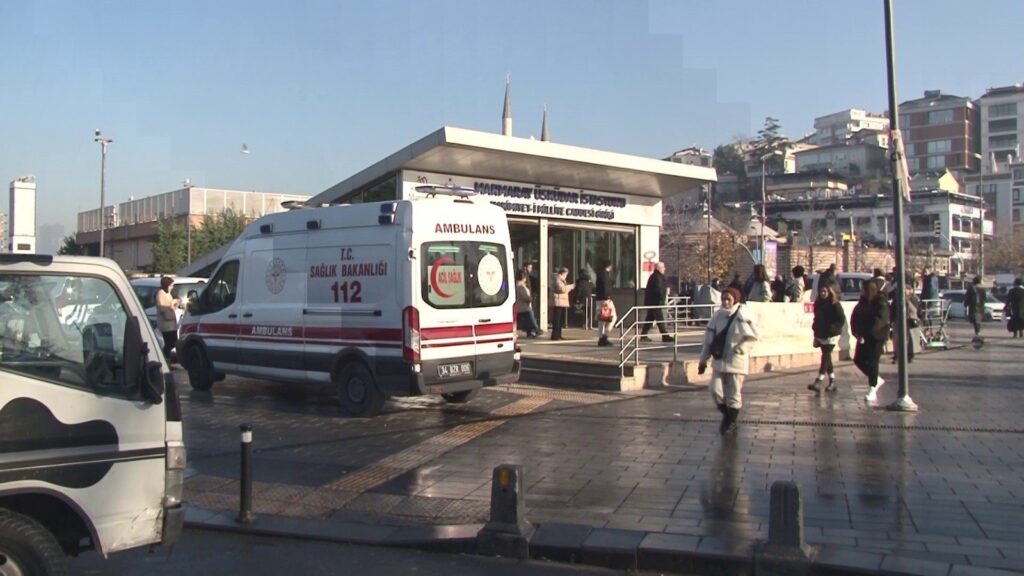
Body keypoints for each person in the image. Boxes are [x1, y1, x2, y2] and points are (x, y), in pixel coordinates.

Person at [698, 287, 759, 435]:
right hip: (719, 360)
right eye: (723, 299)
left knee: (734, 393)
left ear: (735, 300)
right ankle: (728, 416)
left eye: (728, 299)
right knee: (715, 390)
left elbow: (752, 337)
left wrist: (740, 349)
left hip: (735, 360)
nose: (725, 302)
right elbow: (708, 340)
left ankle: (731, 421)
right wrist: (703, 360)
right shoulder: (717, 315)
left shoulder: (742, 315)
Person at [851, 278, 890, 403]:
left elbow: (880, 320)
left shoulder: (881, 302)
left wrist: (867, 332)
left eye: (864, 289)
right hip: (863, 336)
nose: (862, 291)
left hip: (876, 337)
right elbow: (854, 317)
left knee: (873, 362)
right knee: (859, 360)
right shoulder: (862, 303)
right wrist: (856, 332)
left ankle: (872, 388)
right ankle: (876, 379)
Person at [808, 284, 846, 393]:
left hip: (832, 334)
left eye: (825, 291)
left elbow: (841, 319)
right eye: (821, 291)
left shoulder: (835, 304)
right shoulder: (818, 304)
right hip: (821, 334)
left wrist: (833, 328)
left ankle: (819, 380)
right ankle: (832, 381)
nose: (823, 293)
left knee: (825, 355)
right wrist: (815, 331)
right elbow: (816, 318)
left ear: (829, 292)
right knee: (827, 357)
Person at [640, 262, 672, 342]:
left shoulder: (656, 276)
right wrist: (661, 299)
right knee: (659, 318)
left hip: (653, 301)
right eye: (663, 267)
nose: (664, 269)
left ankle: (643, 335)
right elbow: (659, 290)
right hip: (655, 302)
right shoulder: (657, 277)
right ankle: (665, 336)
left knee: (650, 318)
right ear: (659, 268)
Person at [890, 282, 920, 364]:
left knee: (911, 339)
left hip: (910, 321)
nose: (906, 291)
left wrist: (918, 318)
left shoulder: (913, 299)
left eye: (907, 289)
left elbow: (917, 310)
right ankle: (897, 355)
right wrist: (891, 320)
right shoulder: (897, 299)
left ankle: (910, 355)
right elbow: (892, 310)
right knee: (897, 339)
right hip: (898, 321)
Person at [156, 276, 181, 362]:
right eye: (171, 285)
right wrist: (172, 303)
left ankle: (170, 357)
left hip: (172, 324)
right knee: (169, 342)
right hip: (166, 324)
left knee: (174, 342)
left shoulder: (168, 294)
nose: (172, 287)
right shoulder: (160, 293)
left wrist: (176, 302)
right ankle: (165, 358)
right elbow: (162, 307)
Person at [549, 267, 574, 341]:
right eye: (566, 274)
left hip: (561, 301)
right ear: (563, 273)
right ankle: (555, 335)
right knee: (557, 319)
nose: (566, 276)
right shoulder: (558, 279)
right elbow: (561, 289)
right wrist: (570, 287)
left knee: (560, 319)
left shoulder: (561, 279)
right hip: (558, 301)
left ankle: (558, 334)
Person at [595, 260, 616, 346]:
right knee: (613, 317)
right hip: (605, 299)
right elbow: (606, 286)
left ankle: (601, 338)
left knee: (602, 319)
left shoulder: (599, 274)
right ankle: (605, 336)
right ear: (609, 266)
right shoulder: (605, 275)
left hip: (599, 299)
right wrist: (607, 297)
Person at [515, 270, 539, 338]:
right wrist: (530, 299)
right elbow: (525, 296)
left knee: (527, 320)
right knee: (531, 319)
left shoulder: (517, 285)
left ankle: (530, 332)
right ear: (523, 278)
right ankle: (536, 329)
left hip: (520, 306)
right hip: (524, 306)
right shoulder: (521, 286)